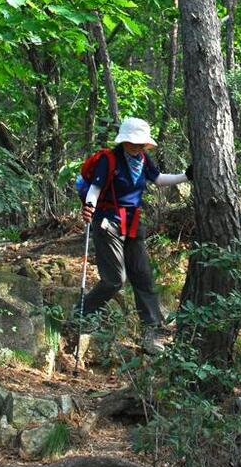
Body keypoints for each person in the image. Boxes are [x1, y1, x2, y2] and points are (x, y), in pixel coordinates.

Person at [78, 116, 191, 355]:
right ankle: (80, 315)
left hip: (132, 224)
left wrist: (186, 175)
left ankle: (152, 333)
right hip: (107, 223)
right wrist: (89, 207)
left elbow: (158, 179)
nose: (138, 146)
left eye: (141, 143)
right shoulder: (109, 160)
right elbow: (95, 189)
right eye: (133, 142)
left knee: (143, 276)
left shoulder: (143, 159)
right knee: (114, 279)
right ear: (124, 141)